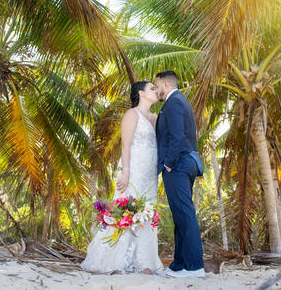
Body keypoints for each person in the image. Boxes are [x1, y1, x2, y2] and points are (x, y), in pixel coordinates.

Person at [80, 81, 164, 274]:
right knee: (125, 210)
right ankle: (117, 262)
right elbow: (125, 145)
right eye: (152, 88)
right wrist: (125, 171)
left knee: (146, 211)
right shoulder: (131, 114)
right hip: (132, 169)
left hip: (149, 172)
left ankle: (145, 263)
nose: (155, 91)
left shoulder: (156, 117)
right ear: (141, 93)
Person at [154, 70, 205, 278]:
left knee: (184, 214)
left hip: (179, 164)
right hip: (187, 163)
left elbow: (176, 135)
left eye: (157, 85)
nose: (156, 89)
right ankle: (180, 264)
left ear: (165, 84)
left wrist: (168, 163)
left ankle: (195, 266)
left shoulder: (174, 102)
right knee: (181, 215)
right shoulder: (180, 101)